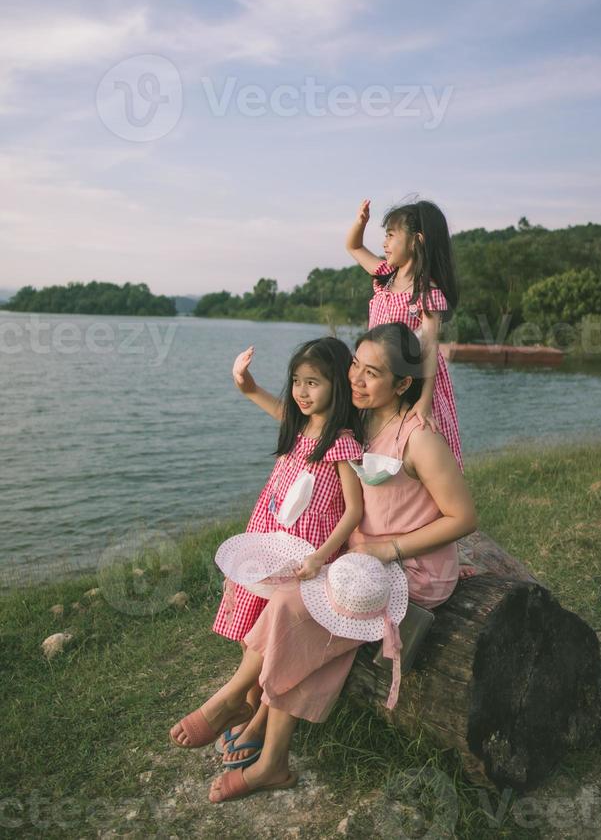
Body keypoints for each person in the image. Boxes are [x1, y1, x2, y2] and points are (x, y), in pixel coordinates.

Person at [169, 323, 477, 804]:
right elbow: (305, 426)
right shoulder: (362, 417)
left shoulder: (419, 439)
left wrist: (387, 550)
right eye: (356, 363)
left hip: (409, 569)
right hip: (362, 561)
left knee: (296, 608)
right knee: (295, 607)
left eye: (371, 373)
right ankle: (262, 739)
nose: (355, 377)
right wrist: (252, 390)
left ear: (401, 385)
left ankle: (239, 703)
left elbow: (464, 517)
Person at [208, 337, 364, 768]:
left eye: (313, 382)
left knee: (275, 636)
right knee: (250, 630)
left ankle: (258, 717)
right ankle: (248, 699)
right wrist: (247, 383)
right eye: (296, 381)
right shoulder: (300, 426)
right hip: (267, 543)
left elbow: (354, 510)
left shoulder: (343, 443)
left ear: (337, 384)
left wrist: (321, 556)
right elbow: (266, 401)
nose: (301, 391)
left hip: (303, 555)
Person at [346, 198, 463, 471]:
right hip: (377, 375)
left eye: (390, 235)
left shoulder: (427, 292)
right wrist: (360, 223)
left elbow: (430, 348)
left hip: (411, 381)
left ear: (416, 240)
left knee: (414, 445)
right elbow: (353, 246)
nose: (384, 244)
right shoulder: (385, 276)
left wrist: (423, 402)